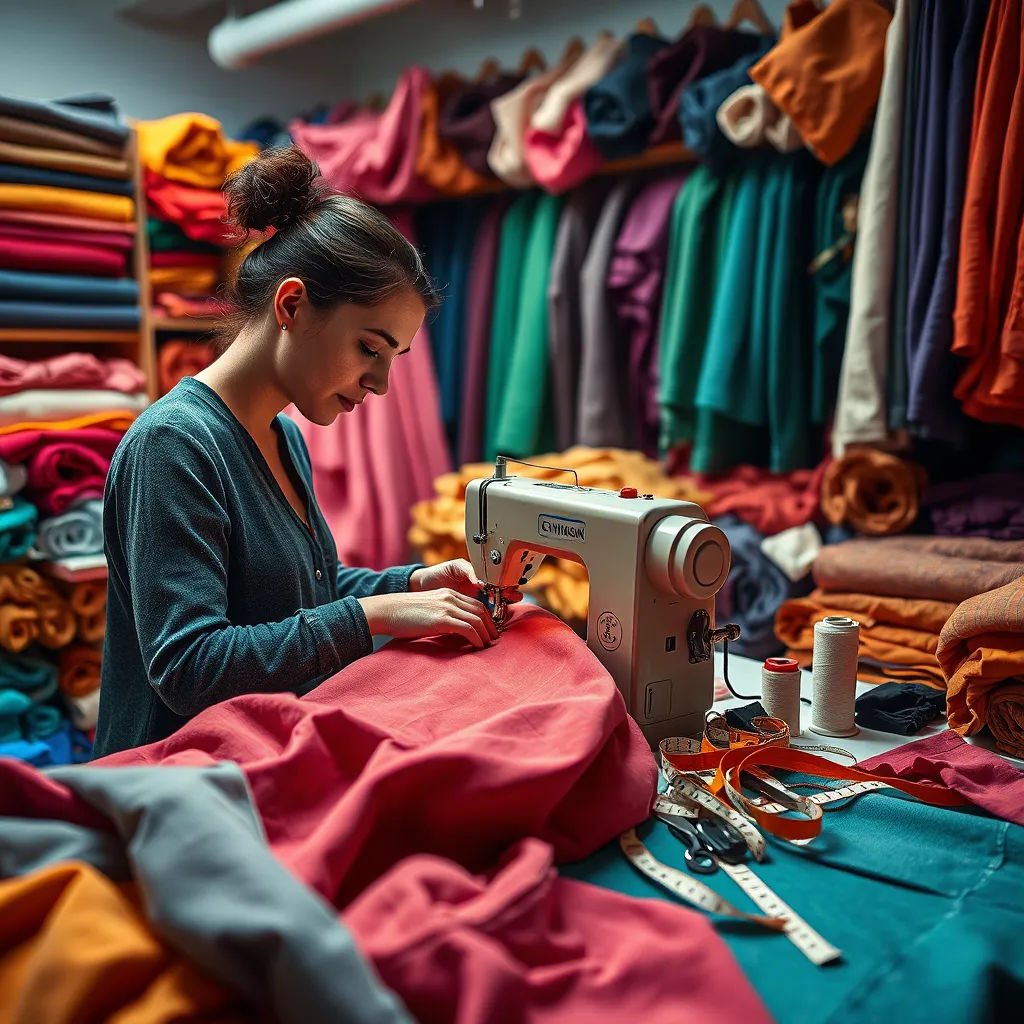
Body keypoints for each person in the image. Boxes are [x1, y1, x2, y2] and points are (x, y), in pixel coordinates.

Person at [94, 146, 508, 757]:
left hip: (258, 754)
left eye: (393, 359)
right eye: (369, 348)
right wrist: (375, 616)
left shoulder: (283, 437)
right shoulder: (174, 444)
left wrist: (413, 581)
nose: (380, 384)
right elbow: (188, 665)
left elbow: (309, 587)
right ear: (291, 306)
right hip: (174, 773)